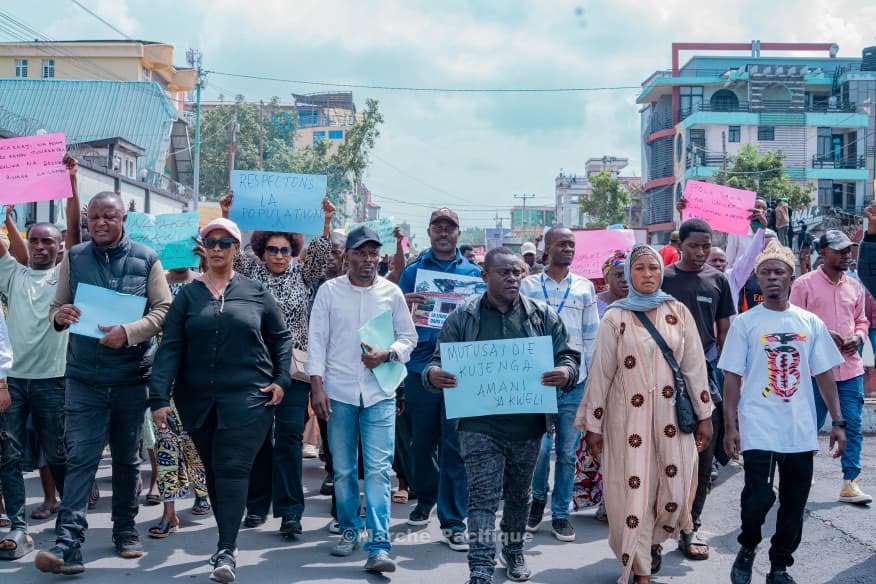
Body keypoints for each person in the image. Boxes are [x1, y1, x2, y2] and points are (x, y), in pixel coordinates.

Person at [425, 247, 581, 584]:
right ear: (485, 276)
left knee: (519, 495)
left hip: (528, 425)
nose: (512, 278)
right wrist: (433, 375)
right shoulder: (462, 317)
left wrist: (565, 372)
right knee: (481, 495)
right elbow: (435, 362)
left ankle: (513, 550)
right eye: (504, 272)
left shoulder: (542, 316)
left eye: (517, 273)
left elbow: (568, 356)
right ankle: (480, 566)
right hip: (479, 425)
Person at [149, 217, 291, 583]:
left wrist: (281, 380)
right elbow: (171, 347)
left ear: (235, 249)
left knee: (231, 467)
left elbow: (281, 338)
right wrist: (158, 397)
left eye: (225, 243)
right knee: (213, 470)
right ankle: (226, 537)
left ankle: (226, 549)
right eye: (210, 241)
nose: (216, 248)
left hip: (249, 398)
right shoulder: (189, 296)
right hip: (197, 400)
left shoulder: (256, 291)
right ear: (203, 247)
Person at [38, 191, 172, 575]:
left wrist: (129, 332)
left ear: (123, 220)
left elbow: (163, 309)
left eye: (108, 217)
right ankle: (68, 543)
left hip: (131, 377)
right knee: (81, 458)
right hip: (84, 378)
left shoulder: (147, 259)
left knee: (128, 460)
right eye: (93, 217)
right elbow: (56, 307)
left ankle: (126, 529)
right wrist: (61, 315)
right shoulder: (75, 258)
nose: (99, 223)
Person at [576, 244, 713, 584]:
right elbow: (601, 374)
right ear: (628, 275)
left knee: (675, 492)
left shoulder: (677, 312)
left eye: (653, 268)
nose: (648, 275)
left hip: (673, 420)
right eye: (640, 269)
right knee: (632, 490)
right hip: (627, 421)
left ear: (662, 271)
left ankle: (653, 543)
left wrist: (705, 415)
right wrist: (593, 425)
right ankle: (638, 568)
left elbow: (694, 366)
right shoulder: (615, 317)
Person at [720, 241, 848, 584]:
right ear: (757, 280)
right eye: (766, 272)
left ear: (791, 277)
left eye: (779, 272)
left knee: (794, 503)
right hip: (757, 423)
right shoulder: (745, 324)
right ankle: (748, 546)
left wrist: (837, 422)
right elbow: (732, 376)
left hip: (799, 427)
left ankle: (779, 566)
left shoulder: (810, 323)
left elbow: (825, 374)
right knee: (757, 497)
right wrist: (730, 425)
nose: (773, 277)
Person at [219, 192, 335, 536]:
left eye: (285, 249)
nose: (279, 255)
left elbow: (320, 252)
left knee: (287, 438)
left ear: (293, 251)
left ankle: (290, 513)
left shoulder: (303, 275)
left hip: (294, 372)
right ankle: (256, 506)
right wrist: (227, 213)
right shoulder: (250, 273)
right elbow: (228, 251)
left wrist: (326, 219)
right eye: (273, 249)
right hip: (255, 368)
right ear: (262, 250)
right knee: (257, 439)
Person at [308, 226, 418, 573]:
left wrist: (387, 354)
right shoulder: (329, 292)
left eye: (373, 253)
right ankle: (348, 530)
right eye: (360, 253)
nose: (368, 260)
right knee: (342, 470)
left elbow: (408, 337)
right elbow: (317, 341)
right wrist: (317, 387)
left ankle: (379, 545)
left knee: (378, 471)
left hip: (379, 395)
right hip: (339, 393)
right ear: (347, 257)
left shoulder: (391, 293)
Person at [0, 155, 81, 561]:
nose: (40, 246)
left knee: (59, 453)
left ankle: (70, 520)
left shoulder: (66, 274)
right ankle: (17, 525)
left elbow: (78, 231)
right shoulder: (12, 274)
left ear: (58, 246)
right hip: (13, 382)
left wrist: (70, 181)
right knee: (8, 455)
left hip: (54, 379)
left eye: (47, 240)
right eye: (34, 240)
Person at [399, 207, 481, 551]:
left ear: (459, 233)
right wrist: (404, 303)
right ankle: (425, 497)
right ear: (430, 231)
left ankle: (452, 519)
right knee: (421, 444)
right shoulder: (413, 272)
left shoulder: (475, 273)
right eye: (438, 227)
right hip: (420, 369)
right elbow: (396, 315)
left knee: (455, 447)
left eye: (450, 228)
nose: (444, 232)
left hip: (459, 372)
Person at [660, 218, 735, 561]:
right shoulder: (662, 279)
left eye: (707, 246)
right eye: (695, 246)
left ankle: (692, 526)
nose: (702, 252)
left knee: (704, 454)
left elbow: (724, 334)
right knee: (662, 455)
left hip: (704, 378)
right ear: (680, 244)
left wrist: (724, 378)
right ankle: (654, 534)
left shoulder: (718, 280)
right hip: (660, 377)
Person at [519, 227, 598, 542]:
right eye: (562, 243)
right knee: (540, 449)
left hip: (573, 382)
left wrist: (586, 377)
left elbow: (590, 336)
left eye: (571, 244)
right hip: (536, 381)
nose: (568, 248)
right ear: (546, 248)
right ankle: (538, 498)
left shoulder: (584, 287)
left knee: (566, 451)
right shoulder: (528, 285)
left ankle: (561, 513)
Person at [789, 230, 872, 505]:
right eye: (840, 250)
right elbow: (792, 324)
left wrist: (858, 338)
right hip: (813, 372)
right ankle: (799, 476)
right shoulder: (803, 285)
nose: (846, 255)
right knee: (807, 426)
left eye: (848, 250)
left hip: (850, 369)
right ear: (822, 254)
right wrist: (824, 336)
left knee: (853, 425)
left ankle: (851, 483)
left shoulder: (855, 286)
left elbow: (862, 320)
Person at [146, 267, 211, 539]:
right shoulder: (154, 288)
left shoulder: (202, 284)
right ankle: (168, 512)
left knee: (194, 444)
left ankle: (202, 492)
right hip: (164, 378)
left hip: (198, 381)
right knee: (166, 444)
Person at [726, 197, 769, 267]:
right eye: (757, 207)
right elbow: (729, 259)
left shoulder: (771, 235)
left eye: (764, 208)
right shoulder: (736, 232)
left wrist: (764, 226)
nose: (761, 211)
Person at [596, 250, 629, 317]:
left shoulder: (642, 303)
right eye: (619, 275)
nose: (625, 279)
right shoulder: (593, 303)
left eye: (628, 274)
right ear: (606, 279)